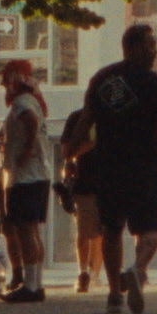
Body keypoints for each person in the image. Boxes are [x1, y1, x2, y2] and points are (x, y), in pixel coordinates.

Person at [83, 23, 157, 314]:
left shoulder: (102, 79)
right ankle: (137, 268)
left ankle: (114, 294)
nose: (155, 50)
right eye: (150, 44)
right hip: (143, 167)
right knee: (151, 231)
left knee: (112, 229)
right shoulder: (153, 82)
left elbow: (87, 118)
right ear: (132, 47)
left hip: (109, 166)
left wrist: (70, 149)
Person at [0, 59, 51, 304]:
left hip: (24, 178)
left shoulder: (21, 103)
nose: (3, 84)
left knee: (25, 230)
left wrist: (27, 148)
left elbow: (30, 120)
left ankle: (29, 287)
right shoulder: (33, 101)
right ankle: (36, 283)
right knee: (33, 231)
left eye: (6, 78)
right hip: (39, 176)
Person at [59, 106, 103, 293]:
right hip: (84, 182)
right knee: (84, 231)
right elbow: (66, 151)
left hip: (109, 183)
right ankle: (83, 272)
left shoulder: (113, 118)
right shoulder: (76, 118)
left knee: (104, 233)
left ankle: (95, 274)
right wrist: (92, 144)